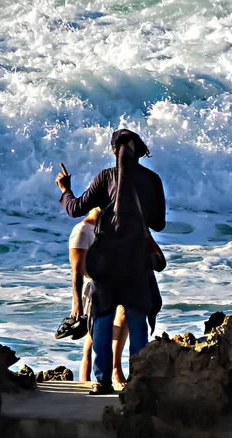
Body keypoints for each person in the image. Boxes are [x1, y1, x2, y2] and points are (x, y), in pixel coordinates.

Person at [56, 129, 166, 395]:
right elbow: (159, 224)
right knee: (137, 320)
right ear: (139, 151)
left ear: (114, 151)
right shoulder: (152, 180)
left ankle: (101, 380)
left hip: (106, 263)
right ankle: (140, 379)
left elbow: (75, 209)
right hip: (137, 263)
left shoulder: (106, 177)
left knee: (103, 320)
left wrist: (65, 190)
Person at [68, 207, 129, 386]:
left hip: (115, 283)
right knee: (90, 343)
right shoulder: (81, 230)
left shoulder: (110, 226)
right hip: (93, 288)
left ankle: (116, 368)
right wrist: (77, 304)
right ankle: (84, 381)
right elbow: (77, 271)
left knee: (123, 315)